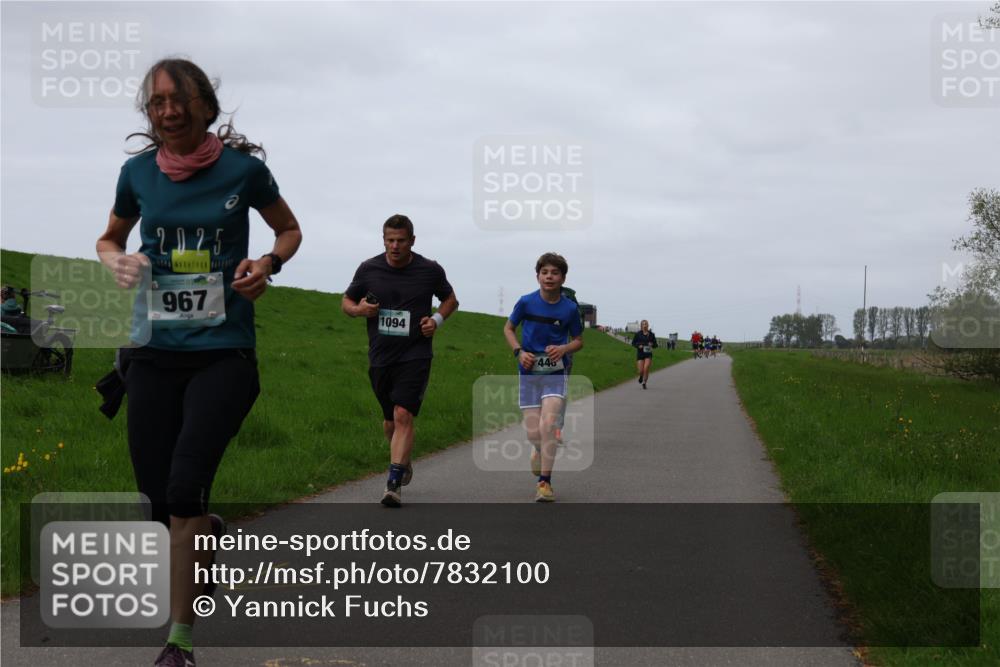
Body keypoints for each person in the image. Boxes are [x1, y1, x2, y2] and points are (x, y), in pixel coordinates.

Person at [95, 58, 302, 667]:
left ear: (206, 106)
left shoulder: (244, 171)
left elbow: (288, 230)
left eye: (179, 98)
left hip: (223, 354)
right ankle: (201, 536)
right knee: (157, 503)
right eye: (157, 101)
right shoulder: (136, 174)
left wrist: (267, 264)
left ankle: (178, 644)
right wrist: (117, 261)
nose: (168, 110)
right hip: (152, 353)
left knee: (184, 488)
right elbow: (109, 238)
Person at [342, 214, 458, 508]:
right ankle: (402, 460)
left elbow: (451, 300)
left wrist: (436, 320)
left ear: (412, 241)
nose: (395, 246)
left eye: (401, 240)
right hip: (381, 356)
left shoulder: (429, 270)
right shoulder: (368, 268)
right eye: (390, 240)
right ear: (383, 240)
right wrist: (359, 310)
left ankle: (393, 483)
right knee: (390, 421)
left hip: (415, 354)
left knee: (404, 414)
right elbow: (346, 302)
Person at [503, 253, 584, 502]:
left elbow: (579, 341)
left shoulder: (570, 308)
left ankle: (545, 483)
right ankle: (538, 449)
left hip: (555, 373)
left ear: (563, 278)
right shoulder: (526, 302)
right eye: (545, 272)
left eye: (555, 273)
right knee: (533, 432)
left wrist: (564, 349)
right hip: (529, 372)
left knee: (547, 424)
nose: (549, 277)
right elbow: (508, 328)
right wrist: (519, 351)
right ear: (537, 276)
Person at [631, 319, 657, 389]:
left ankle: (644, 382)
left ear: (648, 325)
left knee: (646, 368)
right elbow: (633, 343)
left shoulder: (651, 334)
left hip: (648, 353)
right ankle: (641, 376)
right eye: (643, 324)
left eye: (646, 324)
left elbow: (655, 345)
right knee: (640, 371)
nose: (644, 325)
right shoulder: (638, 334)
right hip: (640, 353)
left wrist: (652, 344)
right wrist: (638, 346)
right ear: (641, 326)